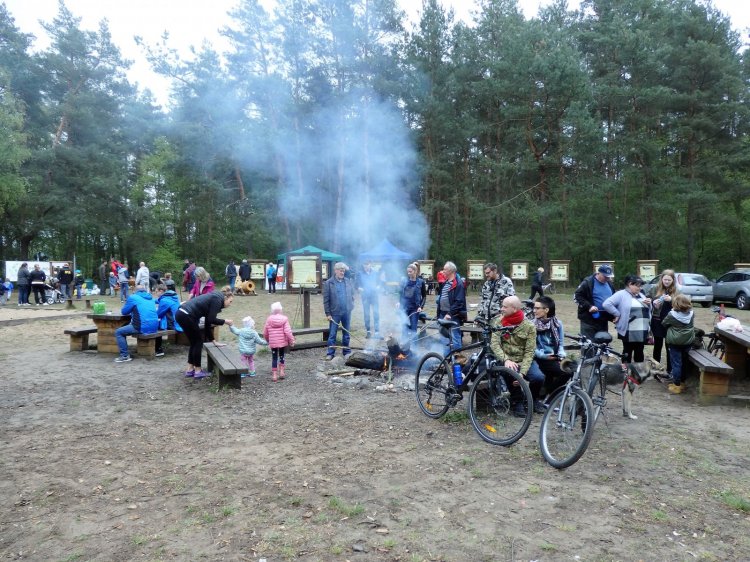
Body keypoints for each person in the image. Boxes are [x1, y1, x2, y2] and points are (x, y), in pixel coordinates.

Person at [490, 295, 546, 416]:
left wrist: (522, 373)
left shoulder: (529, 326)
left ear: (514, 309)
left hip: (523, 361)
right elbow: (494, 345)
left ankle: (532, 400)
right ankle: (517, 401)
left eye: (505, 307)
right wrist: (506, 360)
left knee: (538, 377)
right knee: (509, 371)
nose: (501, 309)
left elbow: (529, 351)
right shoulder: (498, 322)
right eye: (502, 306)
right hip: (507, 359)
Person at [175, 286, 234, 378]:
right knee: (198, 342)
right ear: (225, 298)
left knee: (194, 342)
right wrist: (225, 321)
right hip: (187, 315)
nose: (230, 304)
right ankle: (198, 371)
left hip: (181, 314)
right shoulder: (217, 300)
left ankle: (190, 369)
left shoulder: (215, 297)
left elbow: (208, 322)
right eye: (230, 301)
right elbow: (211, 319)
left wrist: (213, 341)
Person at [602, 275, 652, 363]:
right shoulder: (621, 294)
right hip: (629, 329)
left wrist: (649, 304)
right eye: (638, 285)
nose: (640, 288)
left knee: (639, 352)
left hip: (642, 329)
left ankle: (638, 374)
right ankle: (625, 374)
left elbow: (647, 310)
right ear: (630, 284)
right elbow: (606, 304)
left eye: (640, 286)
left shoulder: (640, 295)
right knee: (627, 352)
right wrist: (617, 314)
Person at [531, 296, 569, 400]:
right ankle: (548, 395)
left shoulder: (557, 323)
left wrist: (561, 355)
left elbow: (560, 343)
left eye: (537, 308)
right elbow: (531, 347)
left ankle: (547, 394)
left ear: (546, 310)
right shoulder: (532, 325)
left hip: (554, 356)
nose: (534, 311)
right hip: (539, 357)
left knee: (569, 369)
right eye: (534, 308)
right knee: (564, 373)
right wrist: (544, 356)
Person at [114, 284, 159, 363]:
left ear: (135, 291)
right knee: (127, 327)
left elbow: (124, 312)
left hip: (142, 326)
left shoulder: (133, 297)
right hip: (154, 326)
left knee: (119, 332)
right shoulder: (150, 297)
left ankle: (124, 355)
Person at [661, 294, 695, 395]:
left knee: (676, 363)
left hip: (675, 342)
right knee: (684, 363)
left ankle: (676, 385)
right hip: (688, 341)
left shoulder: (672, 314)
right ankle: (683, 382)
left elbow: (664, 323)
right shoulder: (692, 313)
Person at [323, 262, 356, 360]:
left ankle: (346, 352)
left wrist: (351, 305)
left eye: (343, 271)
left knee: (346, 334)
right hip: (335, 312)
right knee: (332, 334)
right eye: (341, 270)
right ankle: (330, 353)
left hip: (346, 312)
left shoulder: (348, 281)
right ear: (336, 270)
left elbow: (352, 295)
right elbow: (326, 300)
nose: (342, 272)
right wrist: (328, 313)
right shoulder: (329, 283)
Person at [573, 264, 616, 338]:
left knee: (603, 343)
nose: (607, 278)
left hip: (603, 320)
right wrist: (589, 306)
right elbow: (577, 296)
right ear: (598, 273)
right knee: (589, 345)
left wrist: (614, 315)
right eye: (605, 276)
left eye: (609, 277)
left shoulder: (610, 284)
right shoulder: (588, 283)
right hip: (589, 319)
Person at [648, 269, 678, 373]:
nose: (666, 282)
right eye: (665, 279)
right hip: (657, 321)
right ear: (661, 279)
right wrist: (652, 302)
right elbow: (647, 300)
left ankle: (670, 370)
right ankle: (655, 368)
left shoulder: (676, 290)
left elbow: (682, 304)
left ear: (673, 280)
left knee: (669, 346)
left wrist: (672, 300)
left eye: (669, 280)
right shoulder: (654, 288)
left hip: (670, 322)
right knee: (657, 345)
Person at [436, 261, 467, 354]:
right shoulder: (446, 282)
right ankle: (446, 359)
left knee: (455, 337)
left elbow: (459, 302)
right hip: (442, 313)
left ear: (450, 271)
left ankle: (458, 361)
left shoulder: (458, 284)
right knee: (444, 338)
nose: (442, 272)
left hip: (453, 315)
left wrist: (449, 313)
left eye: (445, 270)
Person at [263, 302, 296, 381]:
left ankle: (274, 375)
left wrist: (268, 340)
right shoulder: (284, 319)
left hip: (273, 342)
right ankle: (281, 372)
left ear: (272, 311)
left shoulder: (269, 319)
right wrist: (292, 340)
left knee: (274, 357)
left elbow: (265, 332)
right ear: (281, 310)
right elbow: (288, 331)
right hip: (282, 342)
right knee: (282, 356)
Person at [396, 262, 424, 344]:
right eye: (408, 272)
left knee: (413, 328)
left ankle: (414, 347)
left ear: (415, 271)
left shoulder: (421, 282)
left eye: (410, 272)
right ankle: (404, 345)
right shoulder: (404, 281)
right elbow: (400, 293)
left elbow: (424, 296)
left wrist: (421, 307)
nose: (408, 273)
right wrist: (398, 302)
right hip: (405, 308)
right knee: (404, 327)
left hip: (415, 309)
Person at [154, 283, 182, 357]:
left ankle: (158, 349)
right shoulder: (172, 297)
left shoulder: (165, 300)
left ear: (161, 291)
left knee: (155, 327)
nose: (155, 293)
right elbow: (158, 301)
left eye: (156, 291)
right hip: (179, 321)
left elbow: (158, 314)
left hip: (173, 324)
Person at [356, 260, 381, 339]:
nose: (366, 266)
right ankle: (368, 332)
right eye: (364, 264)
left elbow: (379, 283)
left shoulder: (375, 273)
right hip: (365, 296)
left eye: (367, 264)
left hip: (374, 296)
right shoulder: (359, 273)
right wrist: (359, 288)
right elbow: (356, 284)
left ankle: (377, 332)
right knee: (367, 314)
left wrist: (378, 287)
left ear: (370, 264)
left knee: (376, 313)